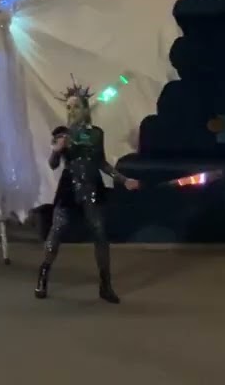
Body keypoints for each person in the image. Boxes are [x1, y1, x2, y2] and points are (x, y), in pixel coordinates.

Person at [34, 81, 141, 304]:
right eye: (69, 107)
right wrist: (56, 151)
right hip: (68, 187)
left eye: (76, 107)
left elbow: (102, 163)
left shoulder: (96, 134)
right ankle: (43, 276)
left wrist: (123, 179)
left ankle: (105, 284)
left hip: (93, 187)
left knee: (100, 234)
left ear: (85, 109)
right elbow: (53, 164)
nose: (72, 111)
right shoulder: (61, 134)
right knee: (56, 231)